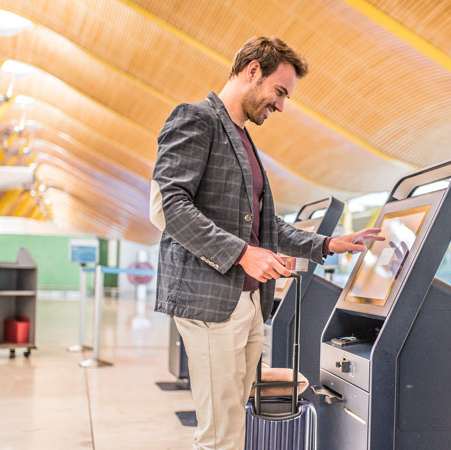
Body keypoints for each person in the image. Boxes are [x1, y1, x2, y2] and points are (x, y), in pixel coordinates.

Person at [152, 36, 383, 450]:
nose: (281, 105)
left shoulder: (242, 139)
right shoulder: (197, 119)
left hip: (246, 302)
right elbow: (168, 207)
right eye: (279, 92)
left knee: (233, 426)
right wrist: (242, 254)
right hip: (210, 304)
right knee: (219, 433)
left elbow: (264, 224)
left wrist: (328, 244)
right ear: (252, 70)